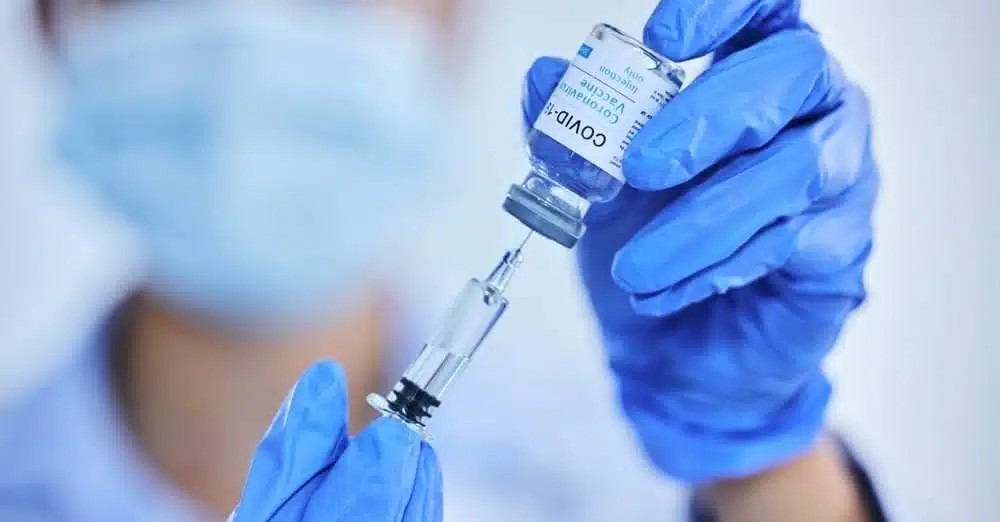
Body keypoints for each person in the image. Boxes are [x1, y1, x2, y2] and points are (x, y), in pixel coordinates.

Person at [0, 0, 886, 521]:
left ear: (452, 17)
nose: (246, 35)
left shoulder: (604, 482)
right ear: (50, 20)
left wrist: (756, 467)